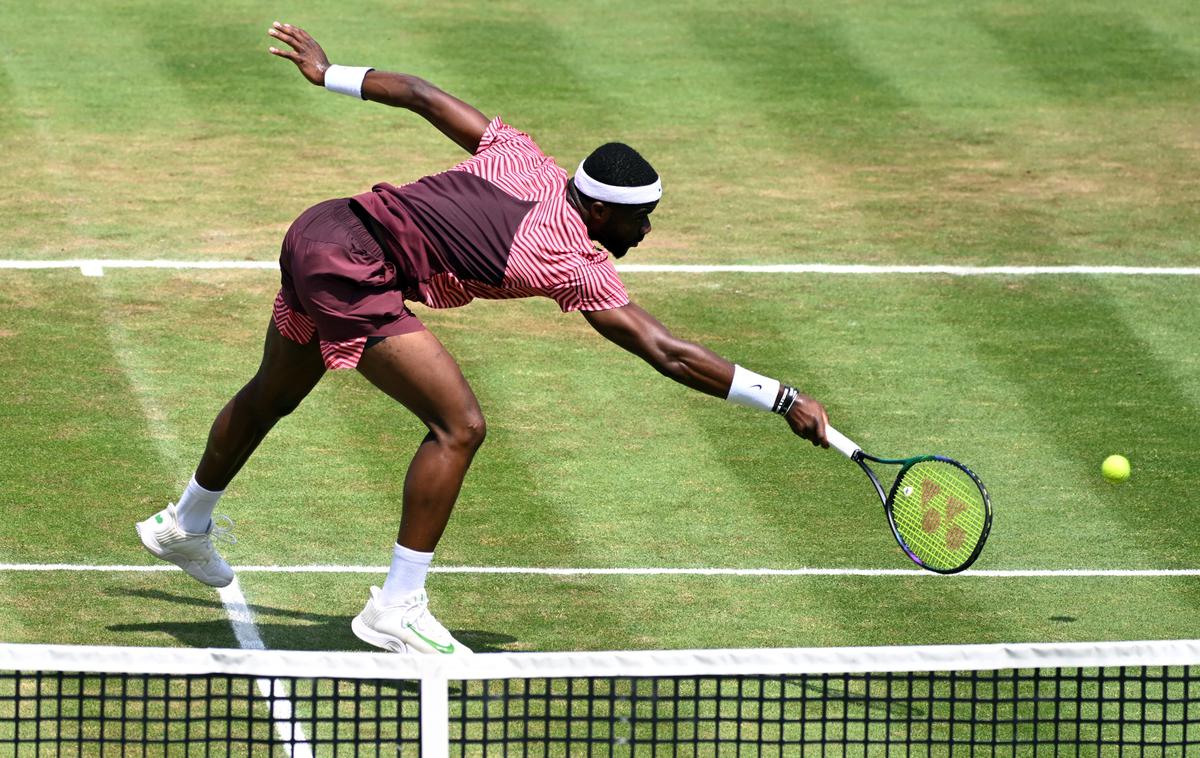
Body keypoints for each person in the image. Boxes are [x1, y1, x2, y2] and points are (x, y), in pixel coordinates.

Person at [136, 22, 831, 656]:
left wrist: (329, 73)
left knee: (275, 393)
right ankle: (397, 607)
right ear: (595, 209)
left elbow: (419, 93)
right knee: (459, 426)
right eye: (639, 220)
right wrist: (782, 398)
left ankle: (185, 524)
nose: (645, 233)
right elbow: (668, 352)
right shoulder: (572, 261)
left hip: (319, 229)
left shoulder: (521, 153)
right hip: (355, 268)